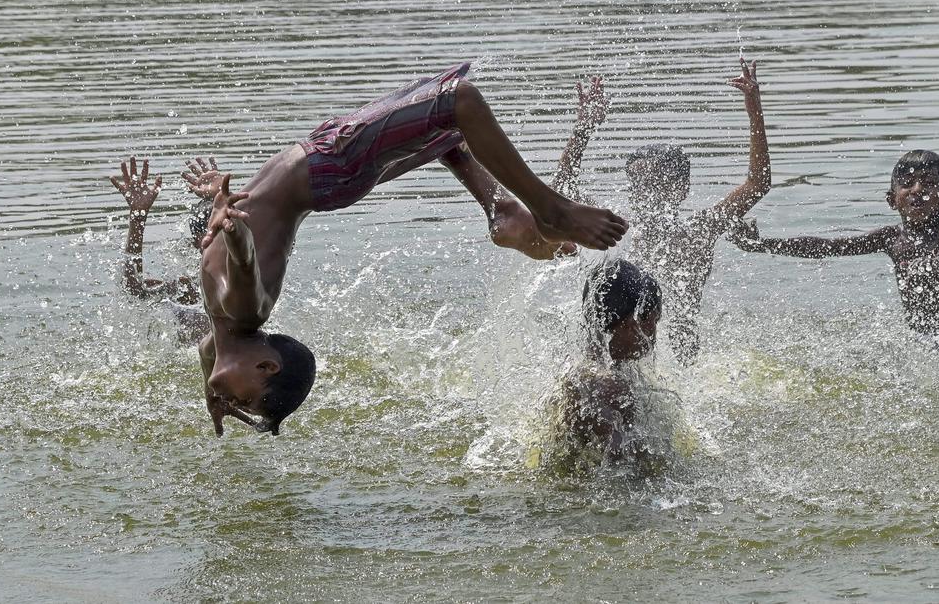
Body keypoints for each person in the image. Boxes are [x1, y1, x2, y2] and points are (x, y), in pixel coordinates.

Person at [193, 62, 630, 437]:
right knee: (459, 101)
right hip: (331, 165)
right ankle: (540, 210)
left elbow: (240, 273)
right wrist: (230, 227)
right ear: (266, 367)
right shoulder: (244, 315)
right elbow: (243, 264)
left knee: (447, 112)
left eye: (239, 402)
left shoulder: (228, 324)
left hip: (332, 165)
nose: (231, 400)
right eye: (243, 401)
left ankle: (509, 209)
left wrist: (226, 214)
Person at [551, 58, 771, 365]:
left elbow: (757, 184)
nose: (643, 194)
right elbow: (560, 191)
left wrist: (755, 113)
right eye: (637, 184)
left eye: (654, 183)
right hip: (614, 356)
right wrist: (584, 128)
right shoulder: (615, 229)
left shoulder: (698, 232)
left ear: (680, 190)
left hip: (682, 368)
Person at [730, 149, 939, 351]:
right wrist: (762, 245)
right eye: (907, 184)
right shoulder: (892, 238)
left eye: (930, 184)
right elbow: (828, 247)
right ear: (891, 200)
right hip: (920, 339)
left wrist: (930, 266)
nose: (917, 190)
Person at [543, 257, 663, 472]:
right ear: (631, 322)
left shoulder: (580, 369)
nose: (653, 337)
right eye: (653, 321)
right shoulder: (610, 387)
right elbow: (624, 470)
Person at [110, 156, 229, 345]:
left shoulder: (247, 277)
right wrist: (138, 219)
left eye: (224, 232)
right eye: (210, 233)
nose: (217, 240)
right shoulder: (186, 287)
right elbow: (134, 289)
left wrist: (225, 200)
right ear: (195, 243)